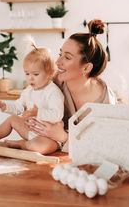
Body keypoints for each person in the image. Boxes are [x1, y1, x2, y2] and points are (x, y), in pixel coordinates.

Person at [27, 19, 117, 152]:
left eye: (67, 58)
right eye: (60, 54)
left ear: (86, 68)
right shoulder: (53, 83)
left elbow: (105, 146)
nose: (57, 62)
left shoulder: (106, 102)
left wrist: (63, 137)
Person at [0, 44, 64, 155]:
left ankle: (22, 144)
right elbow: (18, 108)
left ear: (50, 72)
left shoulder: (53, 92)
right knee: (12, 119)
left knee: (35, 147)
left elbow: (57, 115)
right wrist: (3, 106)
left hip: (49, 137)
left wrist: (37, 112)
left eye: (35, 74)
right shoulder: (29, 90)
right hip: (31, 131)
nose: (30, 78)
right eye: (27, 74)